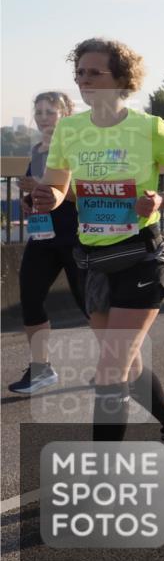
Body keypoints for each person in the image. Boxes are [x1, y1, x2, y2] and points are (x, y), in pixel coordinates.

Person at [32, 38, 164, 466]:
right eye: (79, 73)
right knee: (126, 365)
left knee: (109, 372)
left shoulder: (149, 127)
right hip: (93, 261)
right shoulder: (70, 130)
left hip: (141, 256)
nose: (83, 81)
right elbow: (58, 186)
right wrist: (47, 198)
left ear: (121, 79)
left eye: (93, 72)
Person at [9, 92, 88, 394]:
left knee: (89, 303)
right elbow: (38, 192)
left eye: (50, 112)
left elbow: (82, 193)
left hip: (75, 234)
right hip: (43, 236)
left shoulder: (78, 147)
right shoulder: (37, 149)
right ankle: (41, 369)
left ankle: (117, 364)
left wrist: (44, 186)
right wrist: (29, 199)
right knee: (30, 297)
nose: (43, 117)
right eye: (39, 111)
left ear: (65, 115)